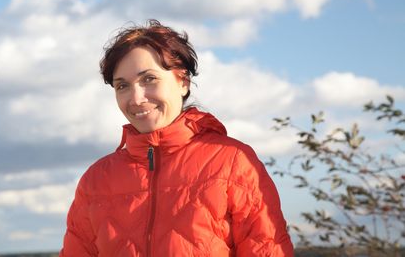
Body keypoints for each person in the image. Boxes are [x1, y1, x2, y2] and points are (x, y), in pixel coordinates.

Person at [60, 20, 294, 256]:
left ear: (183, 82)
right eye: (122, 86)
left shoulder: (232, 162)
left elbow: (266, 249)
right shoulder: (96, 180)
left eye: (149, 79)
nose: (136, 98)